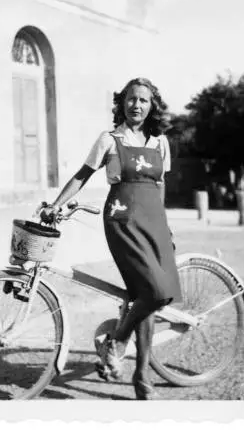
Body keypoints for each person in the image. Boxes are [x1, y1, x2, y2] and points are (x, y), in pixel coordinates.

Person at [41, 77, 182, 400]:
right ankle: (117, 341)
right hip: (123, 221)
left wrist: (166, 228)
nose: (137, 105)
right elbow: (82, 174)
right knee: (156, 292)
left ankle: (142, 376)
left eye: (144, 100)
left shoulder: (160, 142)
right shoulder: (109, 139)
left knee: (147, 296)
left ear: (152, 106)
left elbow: (160, 185)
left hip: (154, 223)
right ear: (122, 103)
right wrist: (56, 204)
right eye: (131, 99)